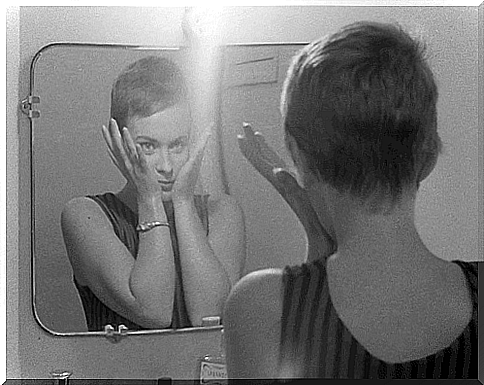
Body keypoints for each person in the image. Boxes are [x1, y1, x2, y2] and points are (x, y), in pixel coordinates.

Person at [223, 21, 478, 379]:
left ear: (298, 156)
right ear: (430, 155)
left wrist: (313, 231)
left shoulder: (263, 307)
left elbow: (318, 325)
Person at [61, 55, 246, 331]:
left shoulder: (222, 212)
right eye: (148, 146)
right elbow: (154, 311)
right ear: (119, 142)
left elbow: (210, 316)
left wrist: (183, 202)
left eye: (177, 145)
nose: (166, 166)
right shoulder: (85, 216)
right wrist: (150, 199)